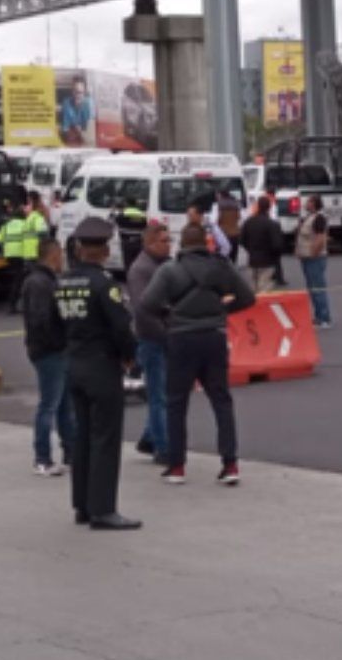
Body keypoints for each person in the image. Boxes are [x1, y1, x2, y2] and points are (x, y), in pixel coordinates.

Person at [139, 223, 257, 487]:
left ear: (182, 243)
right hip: (214, 337)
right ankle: (230, 464)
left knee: (176, 403)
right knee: (221, 401)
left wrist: (168, 317)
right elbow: (248, 297)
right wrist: (222, 311)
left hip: (181, 339)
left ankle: (177, 466)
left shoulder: (170, 270)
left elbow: (147, 303)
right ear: (206, 243)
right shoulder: (221, 266)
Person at [56, 218, 140, 530]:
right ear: (104, 249)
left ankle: (83, 505)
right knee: (105, 438)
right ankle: (104, 509)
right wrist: (130, 355)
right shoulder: (105, 285)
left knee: (83, 438)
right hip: (101, 366)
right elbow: (121, 326)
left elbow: (54, 326)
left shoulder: (63, 282)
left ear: (78, 248)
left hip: (74, 364)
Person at [20, 237, 77, 476]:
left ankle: (72, 454)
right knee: (50, 405)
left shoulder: (46, 280)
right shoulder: (40, 283)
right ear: (53, 256)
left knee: (65, 406)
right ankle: (42, 458)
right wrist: (59, 341)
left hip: (56, 350)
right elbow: (40, 320)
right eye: (60, 254)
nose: (63, 258)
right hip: (49, 352)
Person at [125, 220, 172, 463]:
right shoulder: (141, 270)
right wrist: (164, 335)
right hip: (152, 340)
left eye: (169, 240)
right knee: (158, 395)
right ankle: (163, 449)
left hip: (164, 337)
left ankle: (149, 438)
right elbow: (142, 310)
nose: (169, 245)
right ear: (150, 243)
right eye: (164, 241)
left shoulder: (165, 265)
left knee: (161, 393)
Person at [296, 195, 333, 328]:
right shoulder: (308, 217)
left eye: (309, 202)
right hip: (306, 258)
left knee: (318, 288)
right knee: (312, 289)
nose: (306, 204)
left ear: (314, 204)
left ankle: (325, 318)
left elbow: (320, 238)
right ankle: (318, 316)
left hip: (315, 259)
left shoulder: (319, 218)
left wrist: (313, 253)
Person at [240, 195, 286, 293]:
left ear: (258, 206)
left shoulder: (248, 222)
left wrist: (250, 249)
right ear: (269, 207)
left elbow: (242, 240)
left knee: (253, 289)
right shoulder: (272, 224)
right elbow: (277, 245)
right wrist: (274, 257)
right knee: (264, 289)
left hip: (252, 259)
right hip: (267, 261)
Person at [59, 77, 94, 145]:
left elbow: (90, 130)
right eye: (75, 91)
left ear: (85, 92)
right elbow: (65, 127)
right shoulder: (66, 103)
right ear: (72, 91)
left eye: (80, 92)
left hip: (85, 138)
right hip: (72, 138)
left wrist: (81, 131)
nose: (77, 95)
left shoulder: (89, 103)